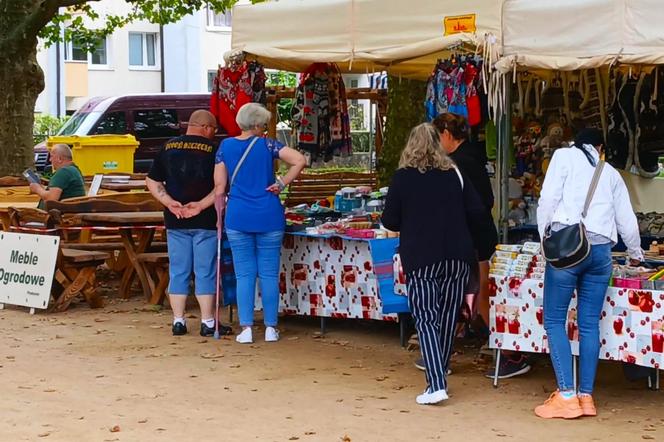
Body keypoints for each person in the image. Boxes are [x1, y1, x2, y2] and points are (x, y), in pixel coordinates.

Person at [381, 123, 493, 405]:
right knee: (446, 317)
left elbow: (390, 221)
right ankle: (438, 371)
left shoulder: (403, 177)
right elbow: (478, 211)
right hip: (458, 255)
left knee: (426, 318)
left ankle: (436, 383)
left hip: (421, 257)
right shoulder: (454, 173)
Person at [534, 128, 643, 419]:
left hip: (569, 248)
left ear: (577, 143)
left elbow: (547, 199)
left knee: (555, 320)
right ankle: (586, 397)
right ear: (600, 147)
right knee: (589, 324)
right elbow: (627, 221)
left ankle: (566, 395)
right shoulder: (611, 174)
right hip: (601, 254)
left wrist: (545, 238)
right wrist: (636, 254)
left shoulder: (563, 156)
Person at [432, 113, 531, 378]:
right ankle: (441, 353)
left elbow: (469, 204)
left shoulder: (458, 163)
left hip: (471, 238)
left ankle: (512, 355)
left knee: (478, 298)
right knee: (469, 296)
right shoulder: (472, 157)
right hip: (478, 235)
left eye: (437, 136)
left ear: (446, 134)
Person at [214, 103, 306, 344]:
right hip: (269, 215)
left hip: (238, 216)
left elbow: (220, 187)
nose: (266, 129)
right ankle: (270, 328)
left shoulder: (225, 146)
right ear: (256, 125)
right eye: (264, 125)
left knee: (244, 274)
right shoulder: (268, 145)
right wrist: (282, 183)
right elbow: (299, 159)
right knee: (268, 274)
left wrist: (218, 210)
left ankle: (245, 329)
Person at [146, 109, 232, 337]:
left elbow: (152, 180)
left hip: (175, 220)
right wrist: (201, 205)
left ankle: (178, 321)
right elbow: (220, 187)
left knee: (178, 270)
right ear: (205, 127)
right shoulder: (215, 150)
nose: (214, 133)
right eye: (213, 128)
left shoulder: (168, 146)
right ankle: (207, 322)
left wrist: (169, 202)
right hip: (205, 221)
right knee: (205, 271)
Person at [30, 144, 85, 208]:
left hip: (59, 216)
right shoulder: (73, 169)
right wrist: (42, 189)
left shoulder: (64, 172)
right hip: (69, 211)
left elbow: (51, 199)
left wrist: (37, 189)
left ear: (60, 159)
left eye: (52, 156)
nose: (50, 160)